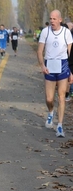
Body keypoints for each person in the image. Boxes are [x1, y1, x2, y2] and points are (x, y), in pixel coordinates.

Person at [37, 9, 73, 138]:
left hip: (63, 65)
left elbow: (70, 54)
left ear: (60, 20)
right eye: (50, 18)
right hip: (49, 65)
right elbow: (40, 50)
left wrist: (71, 71)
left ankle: (60, 126)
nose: (51, 21)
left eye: (54, 19)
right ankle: (51, 112)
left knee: (61, 97)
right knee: (49, 98)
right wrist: (42, 65)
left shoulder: (66, 32)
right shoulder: (45, 32)